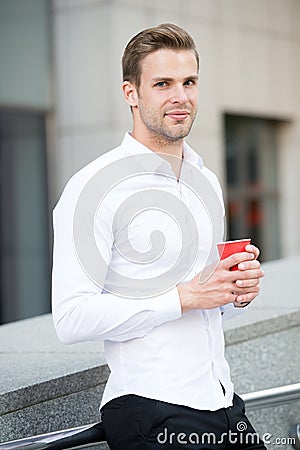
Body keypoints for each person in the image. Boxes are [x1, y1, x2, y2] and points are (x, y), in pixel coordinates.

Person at [52, 23, 266, 449]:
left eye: (189, 82)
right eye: (163, 83)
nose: (181, 97)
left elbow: (207, 304)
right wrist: (183, 297)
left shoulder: (205, 179)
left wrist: (234, 291)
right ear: (131, 93)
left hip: (223, 404)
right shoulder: (93, 188)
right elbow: (70, 318)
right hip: (151, 412)